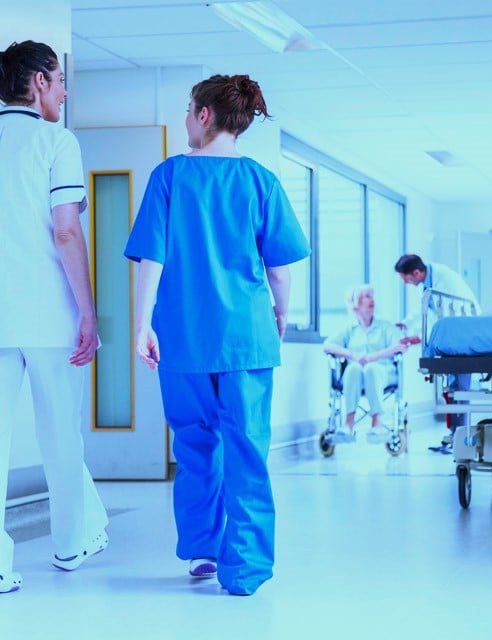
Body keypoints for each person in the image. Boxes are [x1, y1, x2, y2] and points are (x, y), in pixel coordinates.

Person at [125, 74, 310, 596]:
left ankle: (203, 550)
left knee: (195, 444)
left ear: (205, 115)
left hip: (183, 337)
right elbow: (280, 270)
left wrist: (143, 327)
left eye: (188, 109)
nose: (185, 118)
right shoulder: (261, 181)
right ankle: (245, 569)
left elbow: (152, 259)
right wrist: (279, 314)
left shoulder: (169, 177)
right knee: (248, 447)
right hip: (247, 338)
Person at [0, 41, 108, 594]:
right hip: (46, 313)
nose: (64, 92)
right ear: (39, 81)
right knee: (60, 432)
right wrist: (88, 310)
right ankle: (69, 544)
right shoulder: (54, 141)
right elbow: (66, 229)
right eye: (61, 80)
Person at [395, 254, 478, 453]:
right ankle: (454, 434)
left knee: (459, 390)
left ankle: (461, 437)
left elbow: (444, 315)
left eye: (406, 279)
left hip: (463, 337)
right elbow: (427, 311)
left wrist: (423, 340)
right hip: (452, 339)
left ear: (416, 272)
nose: (406, 283)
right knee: (452, 390)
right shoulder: (429, 281)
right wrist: (407, 325)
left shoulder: (443, 280)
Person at [323, 286, 407, 443]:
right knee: (353, 367)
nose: (372, 299)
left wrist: (372, 357)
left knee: (371, 368)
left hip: (383, 373)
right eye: (367, 296)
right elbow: (327, 346)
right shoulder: (349, 328)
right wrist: (352, 355)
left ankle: (377, 423)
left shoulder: (385, 326)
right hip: (354, 377)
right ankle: (348, 424)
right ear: (356, 304)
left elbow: (401, 346)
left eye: (372, 296)